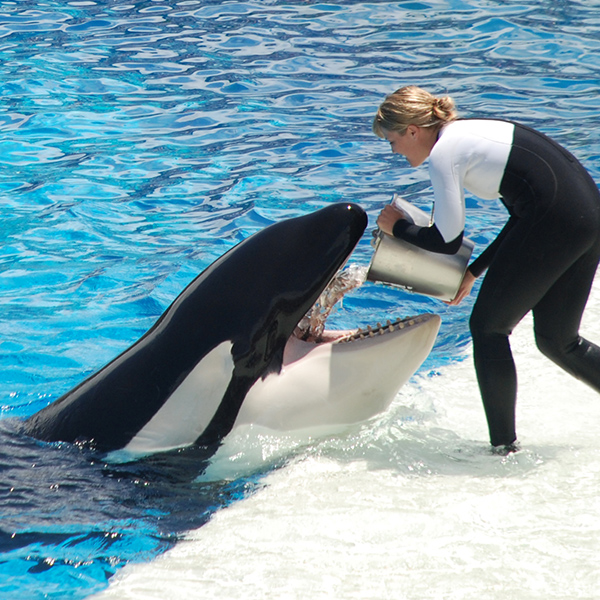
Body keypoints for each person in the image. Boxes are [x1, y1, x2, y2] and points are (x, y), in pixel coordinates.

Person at [373, 85, 600, 451]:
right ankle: (503, 444)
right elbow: (524, 213)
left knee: (487, 327)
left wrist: (396, 227)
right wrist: (473, 271)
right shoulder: (467, 134)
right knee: (559, 342)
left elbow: (446, 239)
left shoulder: (444, 153)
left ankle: (503, 448)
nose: (394, 150)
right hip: (587, 218)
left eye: (392, 141)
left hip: (559, 221)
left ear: (412, 131)